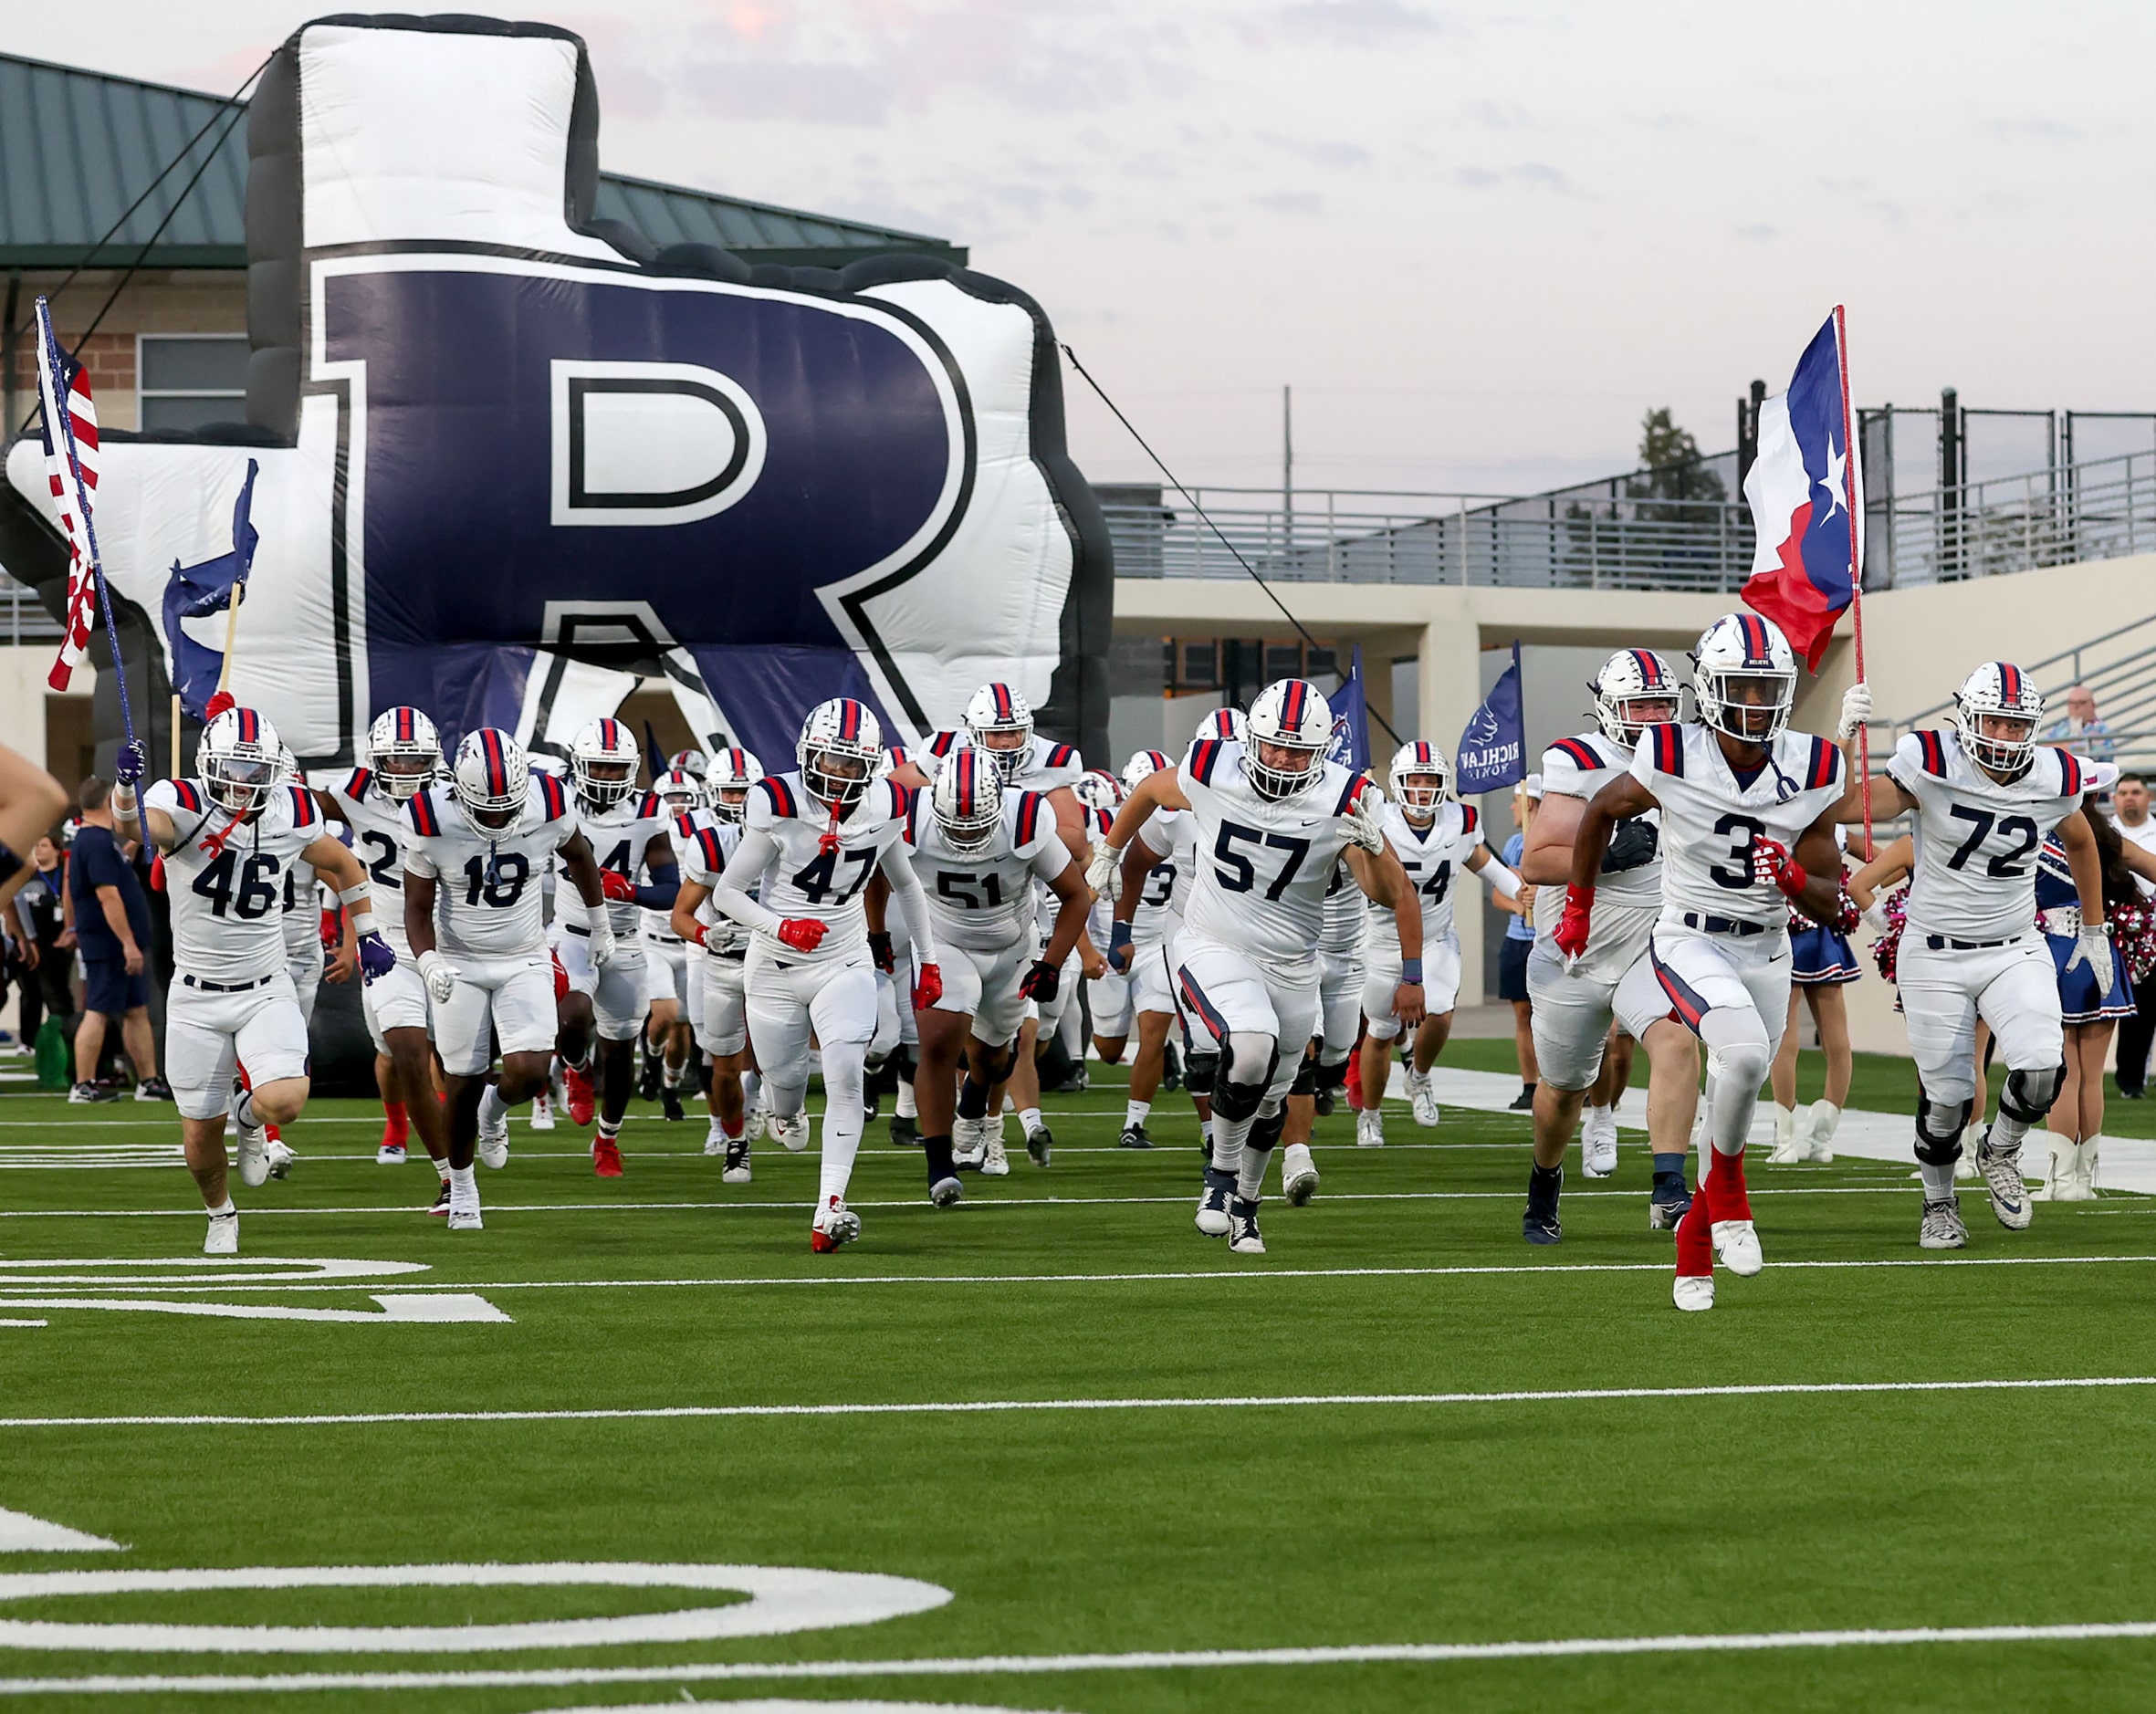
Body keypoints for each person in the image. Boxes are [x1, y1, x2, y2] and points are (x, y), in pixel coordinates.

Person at [1564, 613, 1851, 1312]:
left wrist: (1791, 878)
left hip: (1768, 945)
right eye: (1741, 688)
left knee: (1740, 1082)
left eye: (1766, 689)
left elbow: (1834, 906)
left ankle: (1695, 1234)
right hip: (1690, 938)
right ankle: (1732, 1204)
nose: (1755, 703)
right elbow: (1600, 810)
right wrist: (1578, 902)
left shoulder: (1814, 765)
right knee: (1747, 1057)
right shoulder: (1669, 750)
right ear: (1711, 687)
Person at [1096, 676, 1422, 1257]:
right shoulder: (1214, 764)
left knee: (1272, 1097)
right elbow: (1148, 790)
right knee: (1249, 1045)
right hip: (1212, 940)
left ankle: (1247, 1205)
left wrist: (1372, 846)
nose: (1282, 758)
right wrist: (1108, 852)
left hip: (1294, 963)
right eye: (1272, 745)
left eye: (1297, 749)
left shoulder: (1345, 796)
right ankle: (1219, 1179)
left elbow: (1387, 893)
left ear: (1321, 751)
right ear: (1252, 738)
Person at [1835, 664, 2117, 1248]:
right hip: (1934, 953)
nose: (2007, 738)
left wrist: (2094, 927)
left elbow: (2084, 840)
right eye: (1995, 722)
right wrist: (1844, 739)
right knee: (1947, 1100)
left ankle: (2002, 1148)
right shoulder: (1931, 762)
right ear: (1967, 718)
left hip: (2015, 945)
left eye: (2018, 726)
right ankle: (1938, 1203)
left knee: (2042, 1067)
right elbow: (1845, 807)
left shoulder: (2052, 774)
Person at [118, 710, 395, 1253]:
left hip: (266, 984)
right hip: (196, 994)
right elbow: (132, 828)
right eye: (233, 768)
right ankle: (220, 1213)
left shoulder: (291, 808)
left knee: (285, 1099)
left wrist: (368, 933)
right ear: (208, 766)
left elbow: (345, 864)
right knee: (198, 1135)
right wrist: (126, 789)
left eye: (255, 769)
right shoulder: (183, 802)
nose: (243, 782)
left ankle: (250, 1119)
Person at [706, 698, 942, 1251]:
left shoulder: (886, 802)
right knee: (785, 1087)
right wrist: (781, 927)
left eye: (851, 765)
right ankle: (783, 1111)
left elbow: (905, 884)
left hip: (844, 958)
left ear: (872, 766)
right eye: (829, 761)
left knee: (845, 1071)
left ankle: (829, 1207)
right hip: (774, 966)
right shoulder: (778, 801)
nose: (838, 774)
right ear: (807, 755)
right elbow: (727, 893)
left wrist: (928, 960)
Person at [1517, 647, 1706, 1243]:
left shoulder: (1690, 757)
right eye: (1639, 704)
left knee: (1677, 1041)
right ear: (1607, 708)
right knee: (1562, 1093)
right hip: (1573, 953)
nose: (1652, 717)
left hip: (1647, 947)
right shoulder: (1580, 759)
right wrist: (1606, 856)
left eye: (1661, 704)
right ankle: (1545, 1181)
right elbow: (1538, 862)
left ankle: (1670, 1189)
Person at [403, 727, 611, 1231]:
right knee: (462, 1081)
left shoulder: (550, 799)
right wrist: (428, 959)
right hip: (459, 960)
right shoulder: (429, 816)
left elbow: (579, 855)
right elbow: (415, 905)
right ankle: (464, 1189)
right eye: (486, 807)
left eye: (506, 805)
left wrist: (600, 922)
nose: (498, 816)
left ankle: (494, 1113)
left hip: (524, 955)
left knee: (531, 1071)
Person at [908, 744, 1091, 1197]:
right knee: (936, 1043)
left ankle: (973, 1102)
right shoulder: (911, 819)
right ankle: (939, 1167)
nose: (967, 837)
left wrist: (1050, 965)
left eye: (978, 825)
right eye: (956, 825)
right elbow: (879, 877)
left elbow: (1076, 895)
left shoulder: (1026, 816)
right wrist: (876, 932)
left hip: (1011, 944)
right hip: (943, 940)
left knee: (993, 1060)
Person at [1355, 742, 1522, 1147]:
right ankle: (1370, 1114)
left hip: (1435, 936)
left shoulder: (1459, 821)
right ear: (1399, 783)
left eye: (1430, 781)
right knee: (1380, 1030)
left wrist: (1518, 888)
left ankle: (1420, 1076)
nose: (1423, 790)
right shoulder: (1378, 818)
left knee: (1441, 1010)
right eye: (1415, 781)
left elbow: (1482, 862)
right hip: (1381, 941)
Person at [321, 706, 455, 1207]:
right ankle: (444, 1171)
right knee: (403, 1050)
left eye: (414, 759)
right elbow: (291, 809)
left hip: (453, 939)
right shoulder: (353, 791)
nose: (403, 771)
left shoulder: (454, 796)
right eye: (393, 761)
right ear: (375, 761)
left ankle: (481, 1118)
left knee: (465, 1062)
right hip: (390, 941)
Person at [552, 718, 676, 1176]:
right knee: (572, 1017)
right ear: (580, 765)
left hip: (623, 939)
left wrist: (630, 891)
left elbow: (669, 889)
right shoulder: (557, 800)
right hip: (570, 932)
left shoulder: (648, 811)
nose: (606, 777)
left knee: (622, 1052)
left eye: (615, 768)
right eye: (599, 768)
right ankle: (578, 1068)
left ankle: (607, 1139)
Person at [2032, 805, 2155, 1198]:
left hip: (2055, 956)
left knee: (2063, 1071)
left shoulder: (2036, 837)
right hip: (2102, 955)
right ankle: (2083, 1180)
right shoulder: (2108, 840)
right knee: (2091, 1075)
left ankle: (2061, 1180)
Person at [670, 749, 766, 1181]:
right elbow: (680, 916)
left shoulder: (792, 840)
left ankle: (778, 1102)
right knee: (723, 1065)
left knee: (782, 1057)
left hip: (775, 964)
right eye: (732, 793)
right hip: (723, 962)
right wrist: (708, 934)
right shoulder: (710, 842)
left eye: (748, 795)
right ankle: (735, 1140)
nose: (740, 804)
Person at [1107, 747, 1193, 1153]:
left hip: (1161, 938)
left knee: (1153, 1033)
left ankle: (1133, 1123)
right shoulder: (1106, 829)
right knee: (1108, 1049)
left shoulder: (1187, 822)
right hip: (1119, 938)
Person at [65, 776, 167, 1102]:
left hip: (118, 942)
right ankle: (83, 1084)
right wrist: (127, 943)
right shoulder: (94, 841)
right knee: (98, 1011)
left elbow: (116, 865)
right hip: (109, 944)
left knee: (136, 1010)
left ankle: (148, 1081)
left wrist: (139, 837)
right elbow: (108, 896)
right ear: (108, 801)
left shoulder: (101, 841)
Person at [1767, 824, 1859, 1165]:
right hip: (1823, 933)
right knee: (1836, 1041)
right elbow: (1878, 860)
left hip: (1790, 932)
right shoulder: (1833, 829)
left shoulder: (1779, 820)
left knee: (1786, 1037)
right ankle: (1822, 1139)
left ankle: (1787, 1140)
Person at [638, 768, 705, 1123]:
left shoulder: (709, 836)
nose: (678, 805)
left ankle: (669, 1087)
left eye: (684, 798)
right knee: (665, 1012)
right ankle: (650, 1058)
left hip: (691, 944)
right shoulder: (649, 835)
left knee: (681, 1032)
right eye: (671, 798)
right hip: (654, 941)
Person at [2107, 773, 2156, 1099]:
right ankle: (2129, 1078)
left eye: (2135, 792)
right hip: (2113, 930)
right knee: (2129, 1009)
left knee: (2149, 1005)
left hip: (2154, 930)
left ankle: (2134, 1079)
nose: (2129, 798)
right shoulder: (2104, 833)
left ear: (2147, 797)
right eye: (2122, 792)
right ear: (2113, 798)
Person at [1498, 776, 1541, 1111]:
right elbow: (1501, 891)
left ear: (1529, 802)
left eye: (1516, 800)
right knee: (1523, 1015)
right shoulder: (1515, 844)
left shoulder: (1554, 839)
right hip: (1518, 940)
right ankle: (1530, 1084)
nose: (1512, 807)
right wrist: (1519, 905)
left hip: (1549, 939)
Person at [12, 837, 76, 1061]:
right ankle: (27, 1041)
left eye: (45, 845)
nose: (39, 848)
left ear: (57, 851)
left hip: (55, 942)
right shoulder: (27, 874)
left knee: (56, 992)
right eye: (36, 844)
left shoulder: (64, 876)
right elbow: (14, 904)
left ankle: (65, 1037)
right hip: (29, 942)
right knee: (29, 992)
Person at [2044, 684, 2114, 763]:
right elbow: (2043, 745)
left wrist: (2061, 747)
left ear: (2092, 705)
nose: (2075, 707)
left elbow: (2095, 754)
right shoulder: (2062, 727)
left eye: (2081, 703)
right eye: (2071, 703)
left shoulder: (2101, 729)